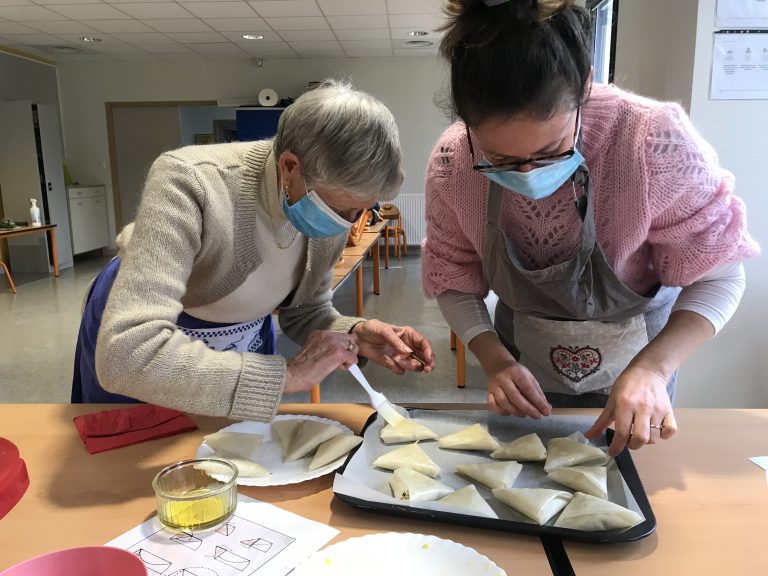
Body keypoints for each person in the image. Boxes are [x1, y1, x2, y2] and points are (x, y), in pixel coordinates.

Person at [422, 0, 759, 456]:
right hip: (522, 366)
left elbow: (720, 276)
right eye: (500, 160)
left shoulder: (650, 142)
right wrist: (494, 359)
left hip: (639, 370)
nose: (527, 175)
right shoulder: (453, 164)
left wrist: (654, 370)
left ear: (584, 87)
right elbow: (454, 279)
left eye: (551, 150)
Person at [72, 79, 435, 421]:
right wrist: (288, 374)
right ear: (290, 167)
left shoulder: (329, 205)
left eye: (361, 210)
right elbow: (127, 355)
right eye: (342, 210)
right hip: (153, 333)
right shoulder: (190, 180)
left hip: (241, 333)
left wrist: (356, 333)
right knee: (134, 461)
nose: (351, 222)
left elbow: (305, 311)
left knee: (236, 454)